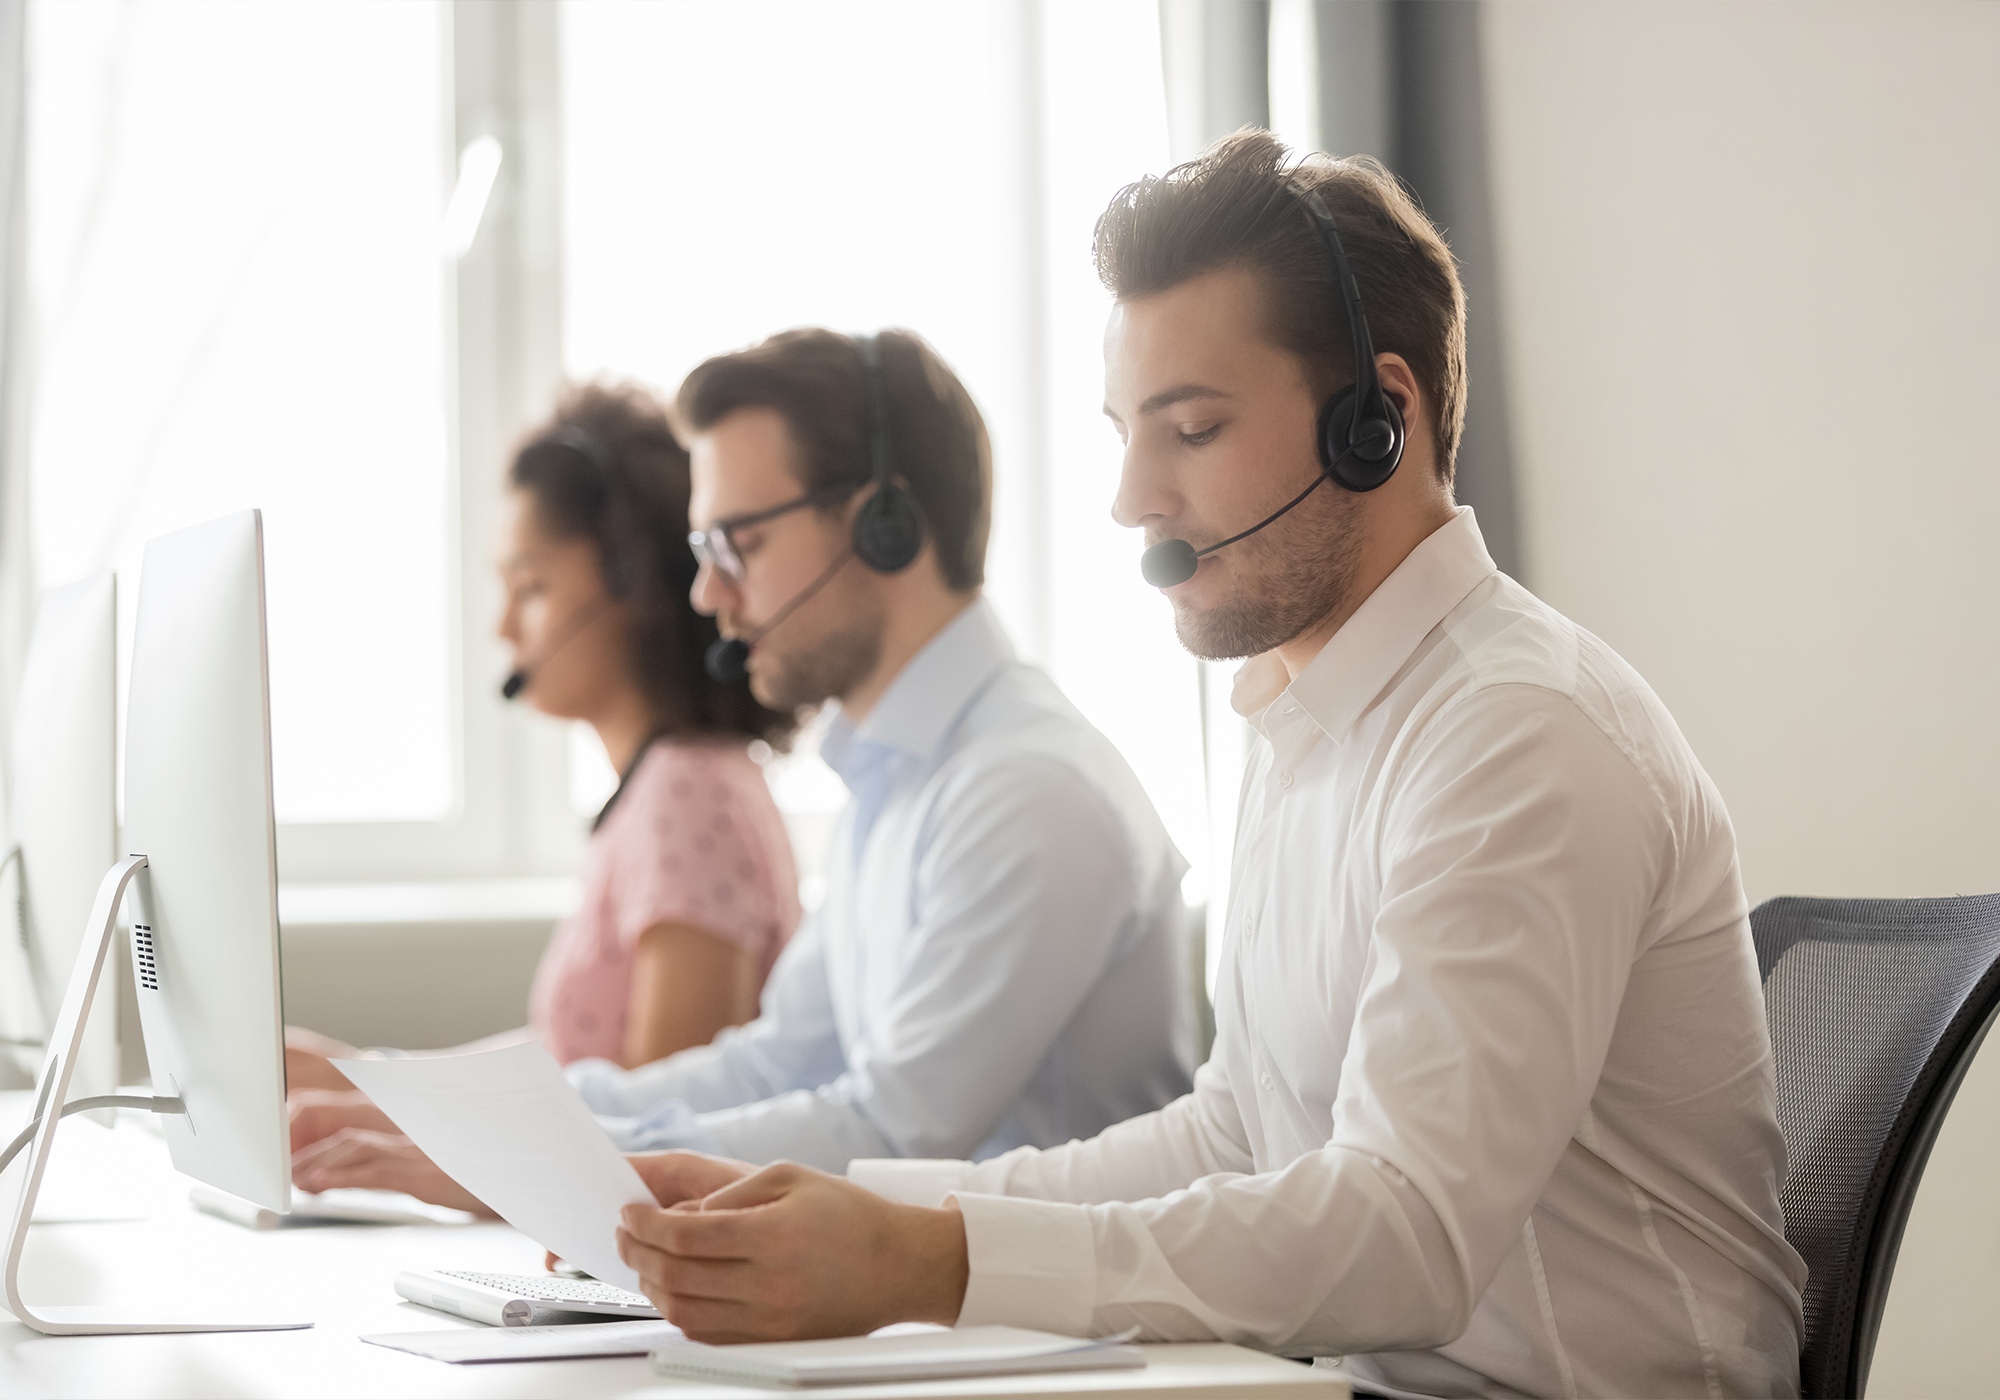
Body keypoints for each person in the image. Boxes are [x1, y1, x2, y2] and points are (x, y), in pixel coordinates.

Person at [610, 134, 1810, 1400]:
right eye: (1127, 432)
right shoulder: (1305, 724)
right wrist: (844, 1213)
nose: (1132, 496)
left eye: (1189, 428)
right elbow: (1233, 1131)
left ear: (1374, 423)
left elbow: (1405, 1230)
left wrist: (927, 1258)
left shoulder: (1514, 733)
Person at [293, 327, 1195, 1206]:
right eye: (703, 551)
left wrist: (520, 1159)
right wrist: (456, 1119)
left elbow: (892, 1133)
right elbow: (774, 1061)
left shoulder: (1028, 791)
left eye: (741, 544)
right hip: (964, 1327)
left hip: (1061, 1344)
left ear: (886, 524)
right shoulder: (898, 784)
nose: (706, 595)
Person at [287, 384, 802, 1161]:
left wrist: (386, 1119)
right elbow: (574, 1065)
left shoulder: (689, 795)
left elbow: (653, 1132)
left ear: (632, 586)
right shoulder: (665, 787)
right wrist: (364, 1082)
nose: (502, 626)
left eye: (531, 587)